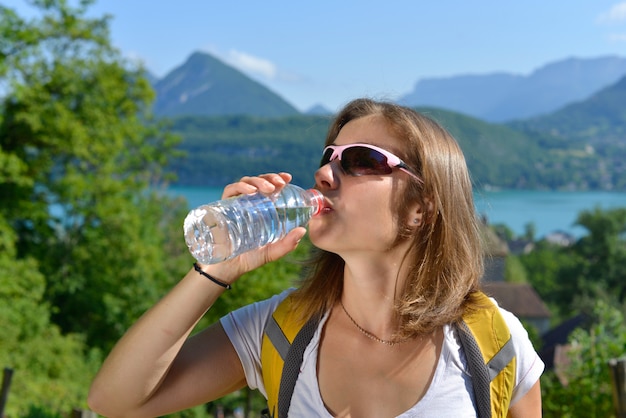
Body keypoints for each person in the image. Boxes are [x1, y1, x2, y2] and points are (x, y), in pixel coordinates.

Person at [88, 98, 544, 417]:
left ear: (422, 207)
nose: (324, 173)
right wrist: (215, 271)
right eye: (329, 157)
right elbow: (116, 400)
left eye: (361, 160)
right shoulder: (281, 330)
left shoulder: (496, 345)